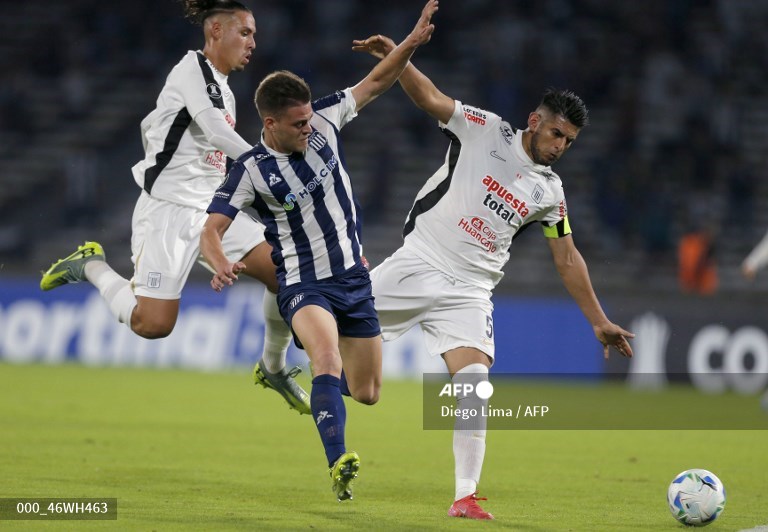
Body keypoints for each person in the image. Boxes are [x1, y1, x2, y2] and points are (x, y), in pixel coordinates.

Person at [352, 34, 635, 519]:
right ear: (535, 121)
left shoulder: (550, 192)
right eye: (556, 134)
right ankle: (284, 364)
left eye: (569, 141)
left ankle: (464, 496)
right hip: (419, 262)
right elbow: (430, 97)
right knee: (334, 345)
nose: (560, 147)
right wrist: (399, 55)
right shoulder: (485, 129)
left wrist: (598, 320)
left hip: (470, 291)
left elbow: (567, 258)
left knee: (474, 386)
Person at [200, 0, 439, 502]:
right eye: (296, 124)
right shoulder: (250, 171)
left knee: (368, 391)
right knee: (326, 357)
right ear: (269, 124)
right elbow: (211, 229)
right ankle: (338, 462)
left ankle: (327, 394)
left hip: (353, 278)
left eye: (308, 119)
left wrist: (409, 43)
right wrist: (220, 262)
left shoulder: (325, 119)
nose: (307, 128)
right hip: (303, 284)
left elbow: (377, 81)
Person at [39, 0, 310, 415]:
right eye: (245, 32)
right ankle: (90, 265)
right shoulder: (191, 71)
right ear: (216, 31)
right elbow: (217, 134)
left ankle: (273, 367)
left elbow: (196, 150)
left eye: (253, 34)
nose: (253, 42)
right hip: (168, 212)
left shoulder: (223, 88)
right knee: (153, 325)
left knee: (285, 271)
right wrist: (272, 166)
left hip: (210, 211)